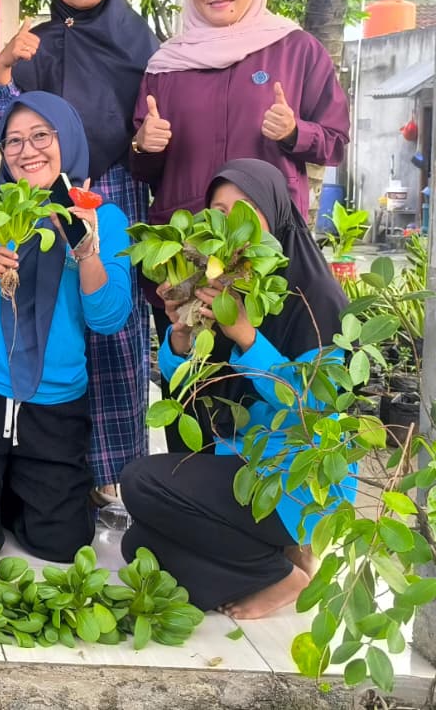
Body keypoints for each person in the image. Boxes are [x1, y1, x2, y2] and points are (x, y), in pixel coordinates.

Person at [120, 159, 353, 619]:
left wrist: (246, 335)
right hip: (243, 460)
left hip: (296, 479)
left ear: (274, 212)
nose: (231, 224)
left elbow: (314, 405)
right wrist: (181, 334)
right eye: (219, 212)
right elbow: (188, 382)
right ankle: (272, 563)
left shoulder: (318, 297)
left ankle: (282, 575)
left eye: (245, 210)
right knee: (139, 544)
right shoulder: (226, 281)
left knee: (140, 481)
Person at [0, 0, 159, 503]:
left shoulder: (142, 44)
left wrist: (146, 144)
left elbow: (158, 131)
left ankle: (116, 474)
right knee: (51, 320)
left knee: (114, 329)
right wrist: (4, 69)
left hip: (113, 190)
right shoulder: (39, 43)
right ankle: (60, 467)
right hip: (43, 189)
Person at [0, 92, 132, 560]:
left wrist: (86, 251)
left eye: (41, 136)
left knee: (63, 544)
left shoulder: (103, 216)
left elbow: (108, 318)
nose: (27, 150)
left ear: (68, 139)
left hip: (55, 401)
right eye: (14, 141)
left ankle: (8, 486)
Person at [130, 0, 349, 228]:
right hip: (186, 233)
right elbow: (143, 170)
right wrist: (143, 145)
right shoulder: (166, 65)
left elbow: (335, 142)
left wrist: (294, 132)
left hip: (267, 234)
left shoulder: (296, 49)